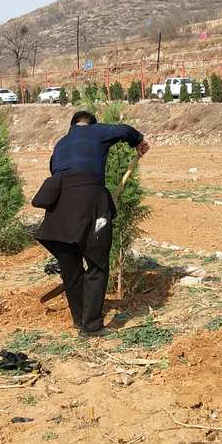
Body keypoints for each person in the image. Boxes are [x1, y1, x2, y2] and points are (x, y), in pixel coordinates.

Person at [35, 111, 149, 336]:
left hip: (59, 212)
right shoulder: (95, 131)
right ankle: (91, 326)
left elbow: (54, 170)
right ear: (90, 124)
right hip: (91, 204)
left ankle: (80, 320)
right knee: (97, 265)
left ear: (72, 125)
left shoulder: (61, 144)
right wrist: (138, 141)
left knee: (71, 268)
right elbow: (124, 130)